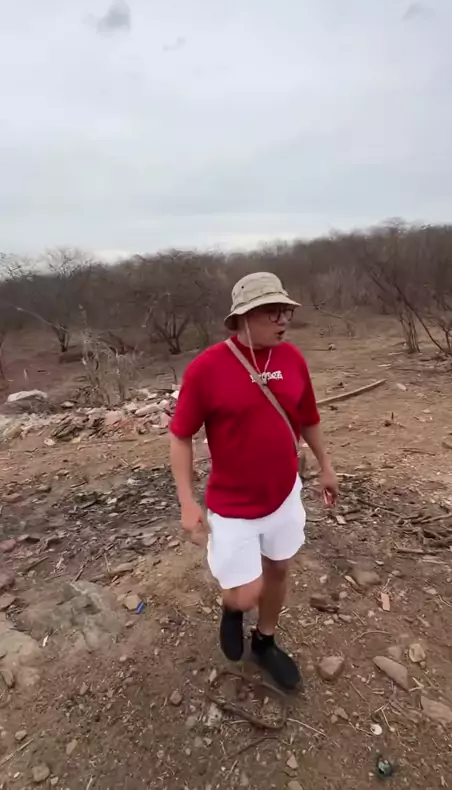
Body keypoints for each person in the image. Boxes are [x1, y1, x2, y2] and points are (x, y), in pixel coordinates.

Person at [170, 272, 338, 690]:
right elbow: (180, 435)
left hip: (283, 494)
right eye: (272, 312)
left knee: (278, 568)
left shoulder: (292, 359)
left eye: (286, 312)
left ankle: (265, 641)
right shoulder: (206, 369)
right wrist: (187, 502)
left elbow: (309, 418)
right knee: (245, 592)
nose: (283, 320)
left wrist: (326, 465)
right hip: (232, 506)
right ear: (243, 317)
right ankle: (232, 609)